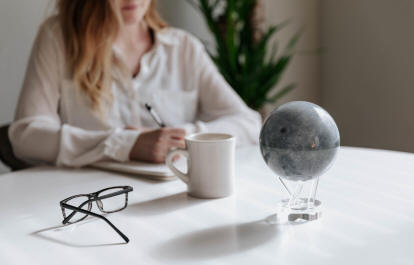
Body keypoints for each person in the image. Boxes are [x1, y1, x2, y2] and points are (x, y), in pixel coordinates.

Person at [9, 0, 261, 168]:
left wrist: (181, 138)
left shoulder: (183, 48)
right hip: (90, 203)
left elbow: (249, 124)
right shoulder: (58, 39)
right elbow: (26, 136)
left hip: (170, 199)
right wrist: (124, 144)